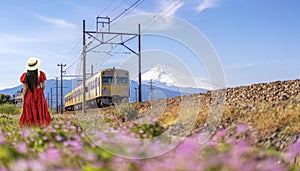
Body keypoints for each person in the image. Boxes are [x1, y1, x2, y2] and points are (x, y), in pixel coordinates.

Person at [20, 57, 51, 126]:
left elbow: (25, 88)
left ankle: (30, 124)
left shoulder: (25, 75)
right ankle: (41, 124)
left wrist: (23, 96)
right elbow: (44, 85)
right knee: (40, 107)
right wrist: (40, 91)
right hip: (39, 93)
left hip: (29, 93)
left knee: (30, 108)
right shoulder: (41, 74)